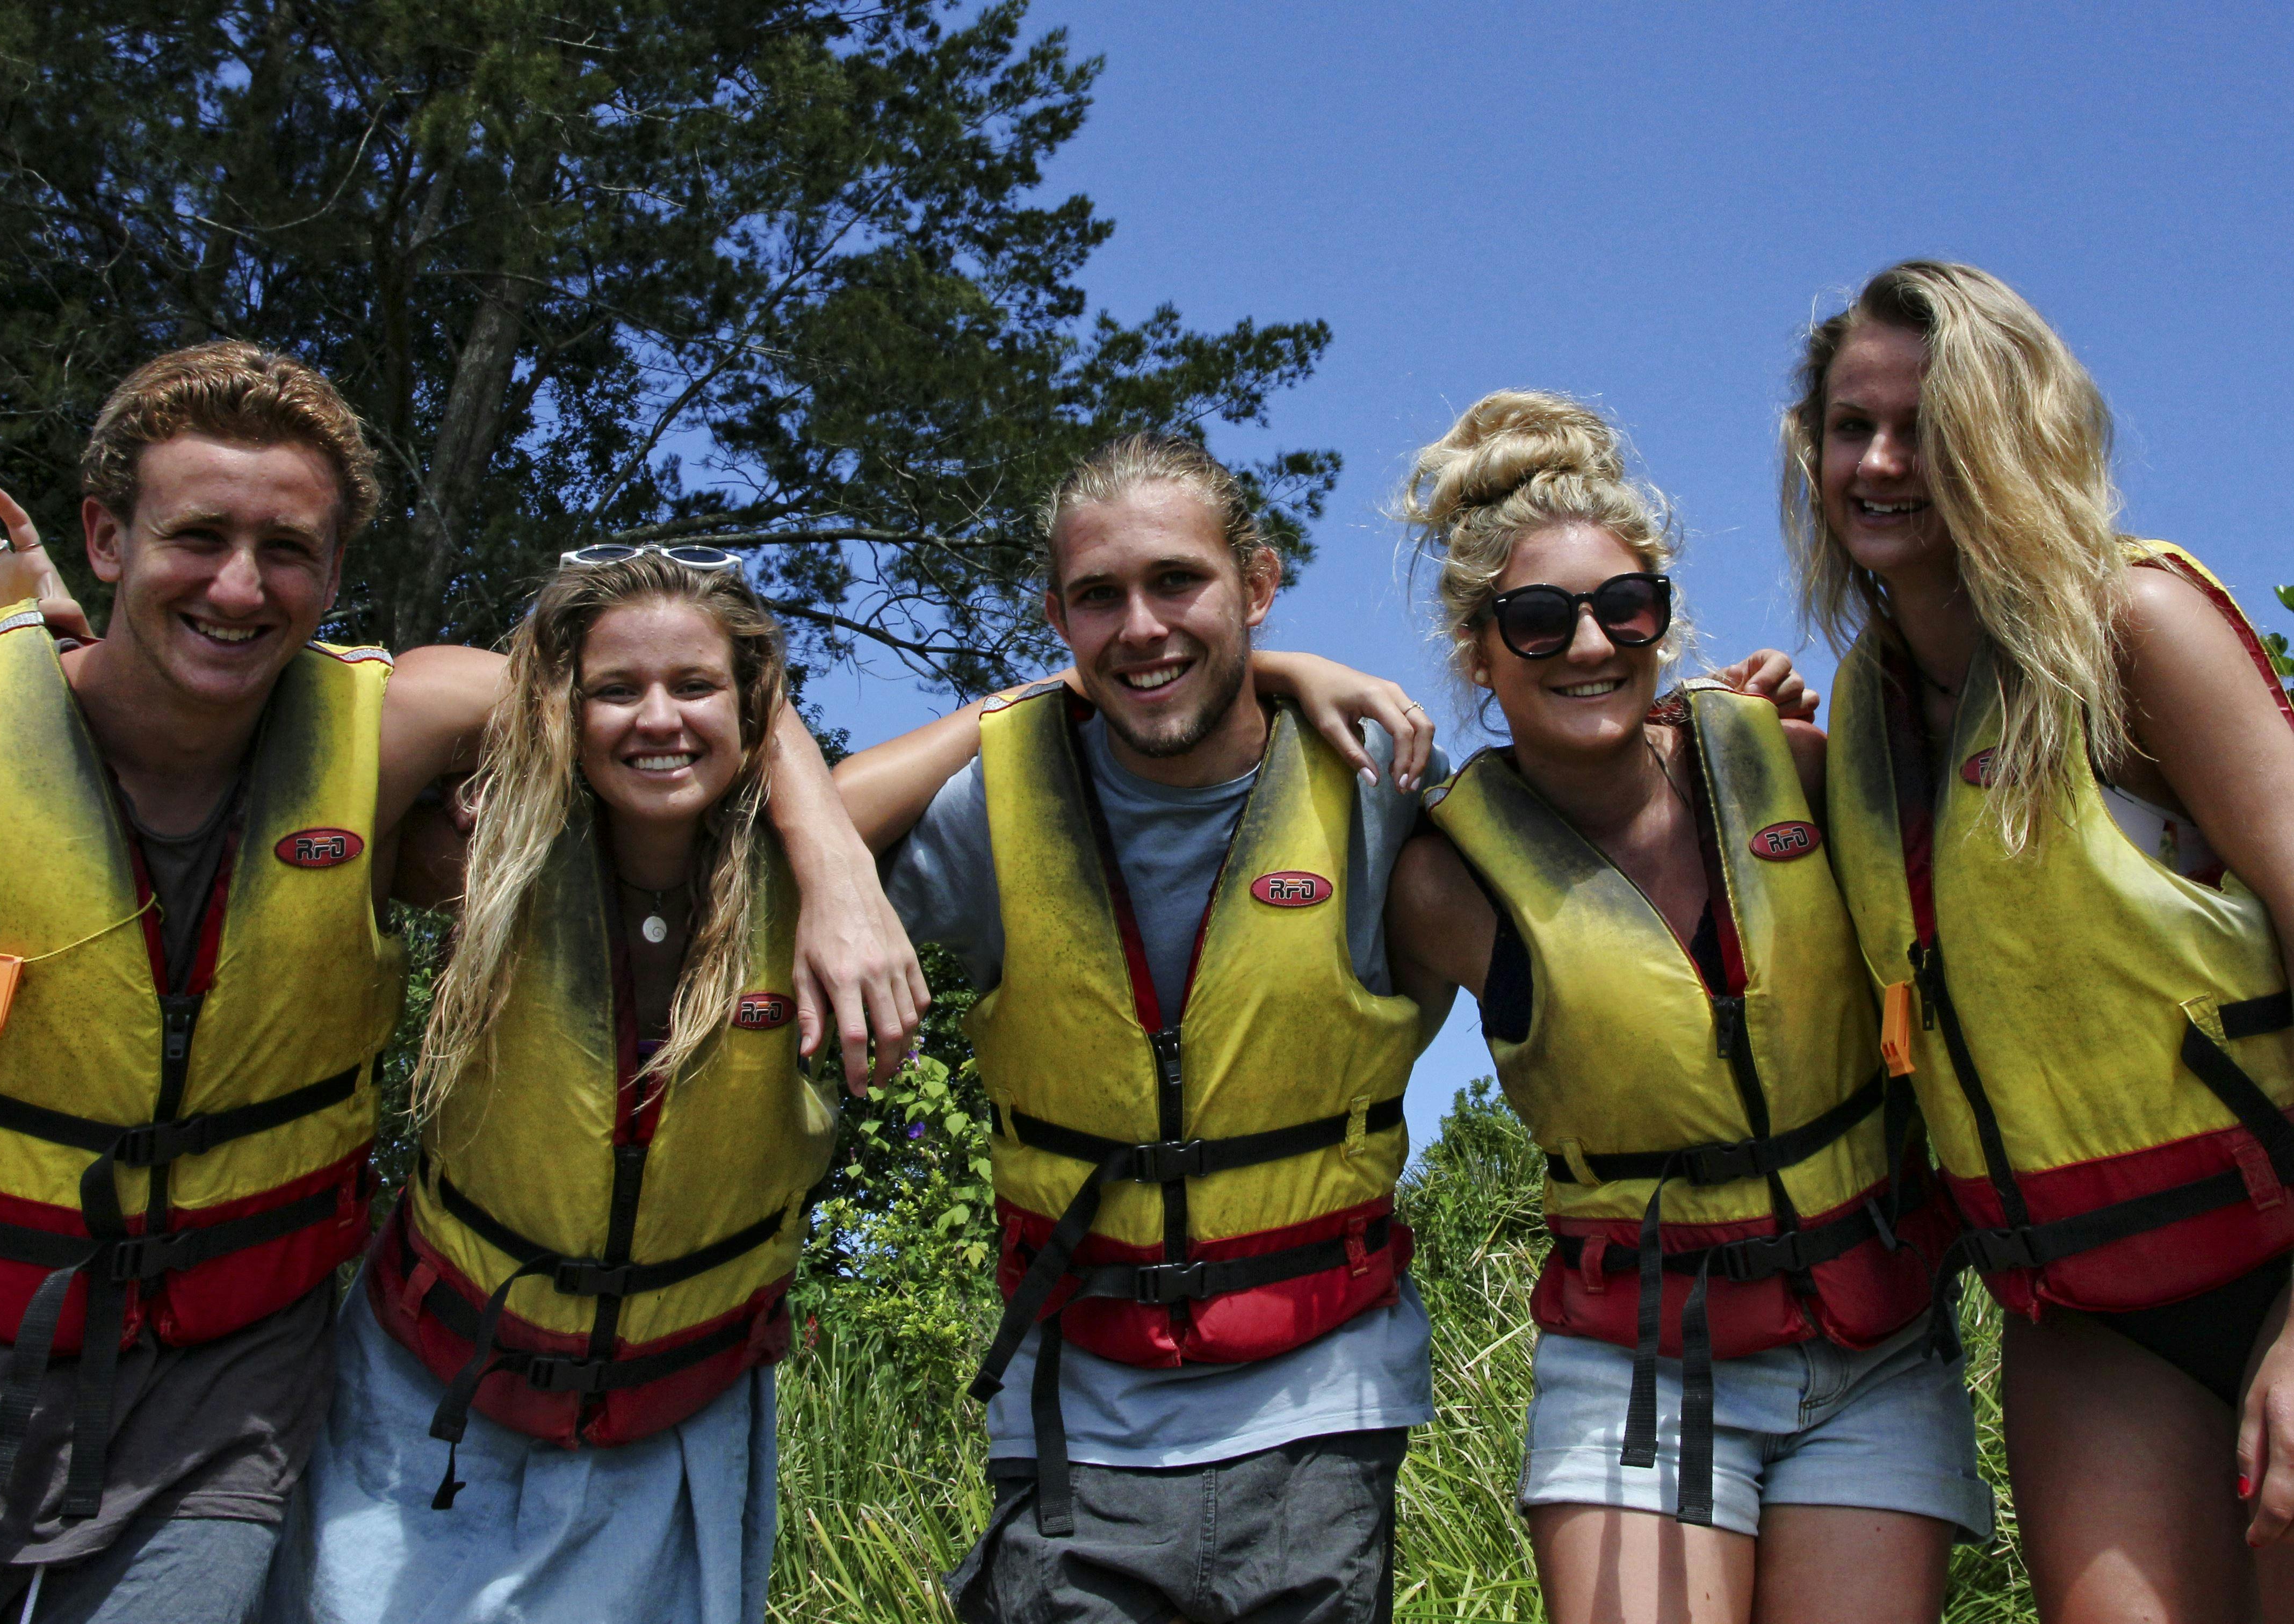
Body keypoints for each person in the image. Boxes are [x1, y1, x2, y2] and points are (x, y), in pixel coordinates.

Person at [0, 342, 918, 1622]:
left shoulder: (400, 723)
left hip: (227, 1398)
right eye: (195, 537)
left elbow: (696, 678)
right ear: (104, 534)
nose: (241, 588)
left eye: (288, 550)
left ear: (337, 571)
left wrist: (831, 864)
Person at [1381, 392, 1986, 1623]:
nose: (1589, 646)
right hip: (1637, 1367)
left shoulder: (1790, 767)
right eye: (1536, 622)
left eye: (1624, 608)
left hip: (1872, 1341)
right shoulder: (1442, 880)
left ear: (1662, 616)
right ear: (1476, 655)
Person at [836, 434, 1447, 1624]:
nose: (1140, 626)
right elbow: (773, 835)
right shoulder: (997, 808)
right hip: (1076, 1402)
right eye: (1096, 598)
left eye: (1177, 582)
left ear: (1257, 585)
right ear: (1055, 621)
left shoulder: (1375, 783)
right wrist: (1023, 705)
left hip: (1320, 1400)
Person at [1787, 261, 2294, 1620]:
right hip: (2080, 1316)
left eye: (1926, 426)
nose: (1880, 462)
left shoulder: (2133, 631)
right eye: (1850, 428)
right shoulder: (1865, 717)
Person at [257, 550, 833, 1623]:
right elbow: (283, 712)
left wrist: (838, 861)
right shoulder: (483, 844)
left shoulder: (816, 857)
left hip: (675, 1406)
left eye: (695, 687)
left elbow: (1009, 729)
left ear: (755, 707)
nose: (655, 717)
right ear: (553, 703)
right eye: (613, 689)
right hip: (429, 1386)